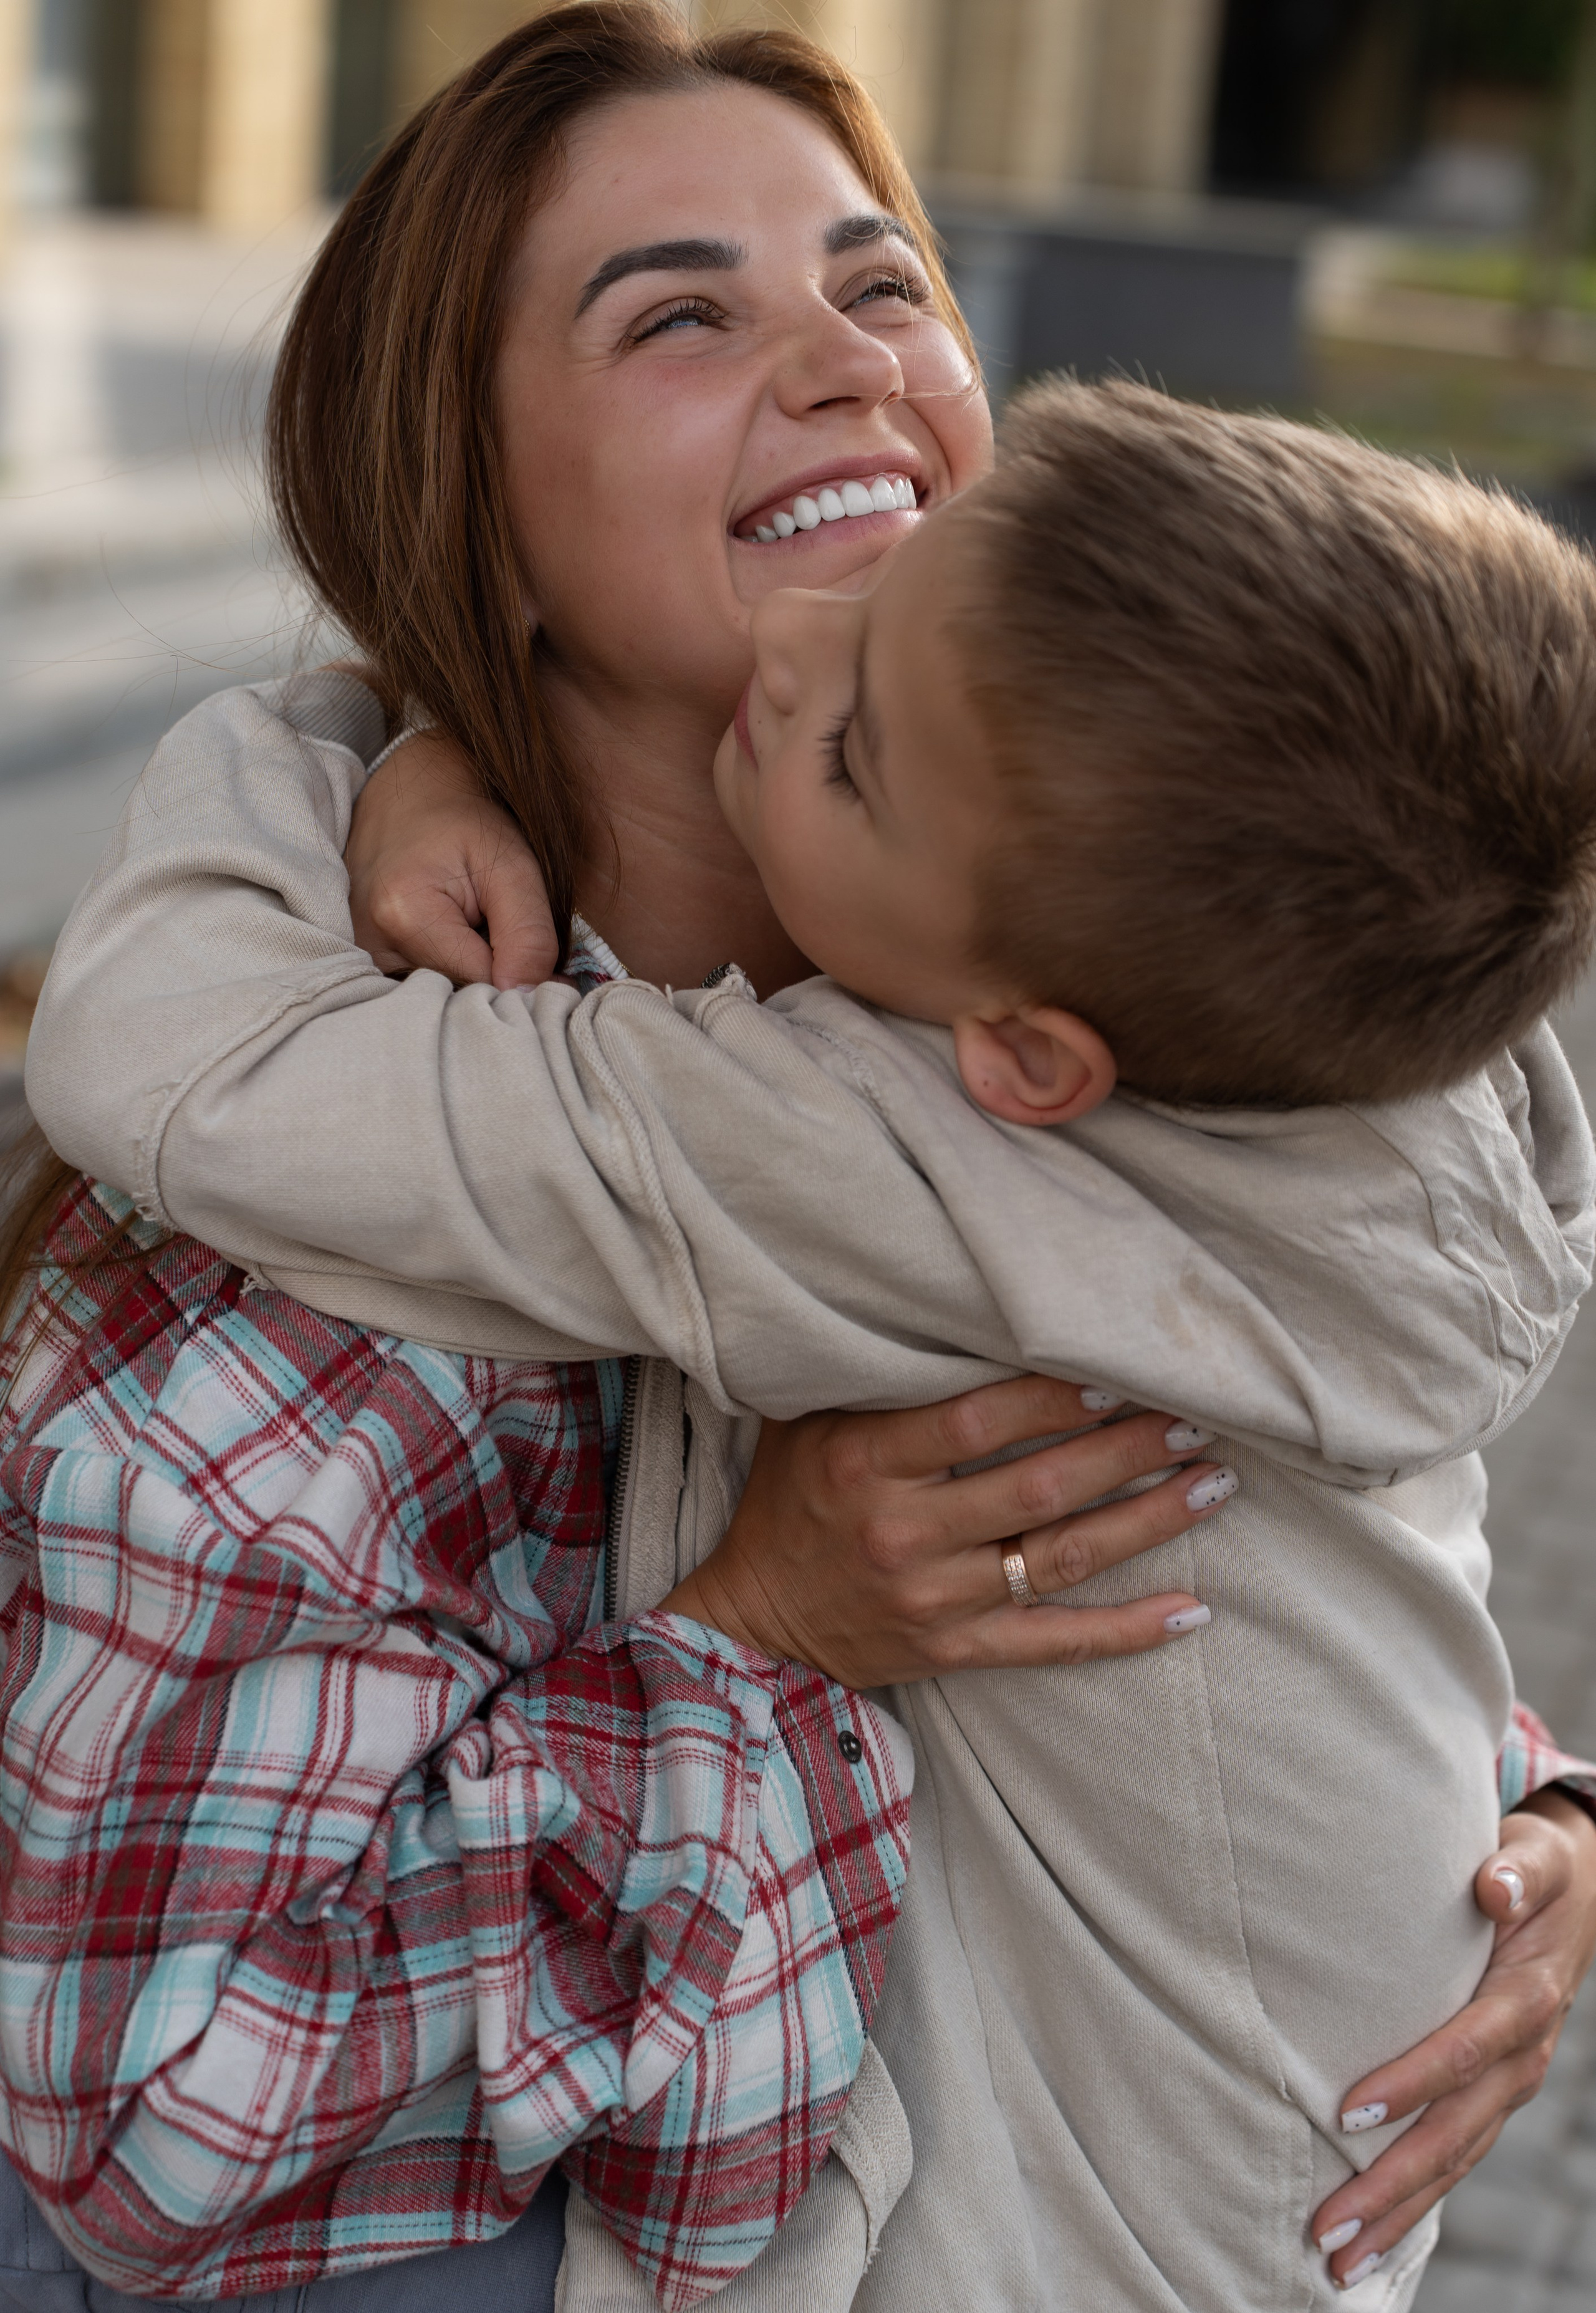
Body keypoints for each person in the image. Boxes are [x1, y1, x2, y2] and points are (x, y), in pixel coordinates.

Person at [4, 6, 1595, 2307]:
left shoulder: (1069, 1049)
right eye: (680, 313)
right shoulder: (290, 1302)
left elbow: (1250, 1607)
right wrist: (750, 1639)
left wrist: (1522, 1813)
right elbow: (151, 2129)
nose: (851, 367)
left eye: (880, 283)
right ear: (475, 502)